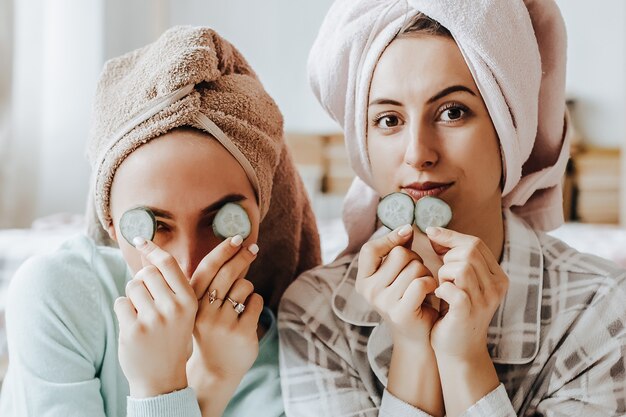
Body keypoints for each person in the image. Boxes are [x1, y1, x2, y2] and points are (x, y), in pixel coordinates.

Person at [278, 1, 626, 416]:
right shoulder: (314, 313)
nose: (417, 154)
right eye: (388, 120)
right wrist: (411, 348)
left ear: (508, 129)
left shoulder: (603, 308)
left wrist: (465, 359)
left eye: (452, 112)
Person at [0, 26, 320, 417]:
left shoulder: (297, 352)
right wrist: (174, 384)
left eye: (222, 223)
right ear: (112, 224)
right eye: (152, 225)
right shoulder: (57, 295)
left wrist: (207, 379)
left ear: (261, 214)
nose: (187, 264)